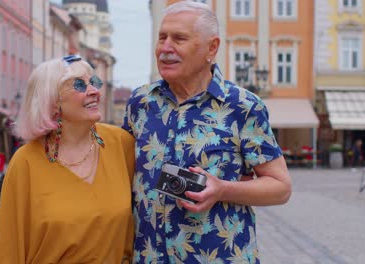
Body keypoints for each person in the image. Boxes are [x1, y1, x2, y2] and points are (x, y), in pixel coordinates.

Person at [122, 1, 292, 263]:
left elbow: (280, 188)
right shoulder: (141, 103)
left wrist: (222, 189)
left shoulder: (242, 106)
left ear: (211, 47)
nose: (166, 48)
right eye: (162, 37)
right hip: (149, 257)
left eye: (179, 38)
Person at [0, 55, 135, 263]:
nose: (94, 91)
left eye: (94, 82)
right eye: (79, 85)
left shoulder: (121, 144)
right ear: (52, 101)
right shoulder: (26, 161)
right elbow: (9, 245)